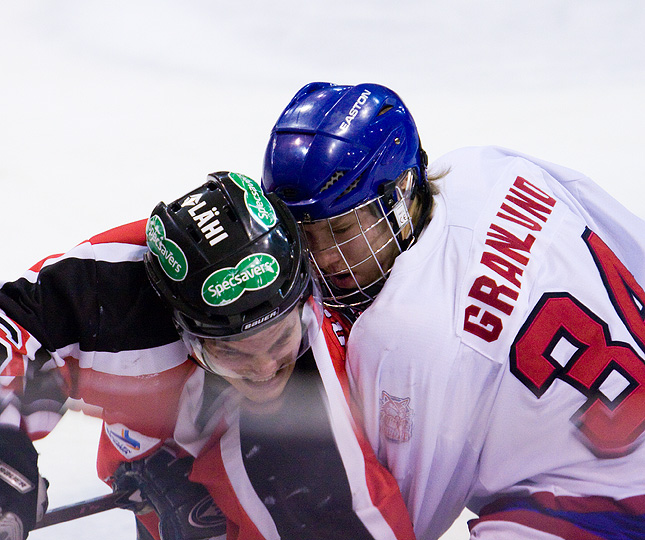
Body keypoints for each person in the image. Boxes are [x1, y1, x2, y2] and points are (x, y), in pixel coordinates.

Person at [262, 82, 645, 539]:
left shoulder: (405, 336)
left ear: (399, 197)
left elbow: (397, 524)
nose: (321, 257)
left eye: (340, 228)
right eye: (302, 234)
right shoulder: (489, 168)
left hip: (617, 507)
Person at [0, 172, 415, 540]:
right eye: (232, 352)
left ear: (305, 301)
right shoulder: (117, 292)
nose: (266, 370)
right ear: (181, 325)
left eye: (279, 340)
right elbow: (17, 324)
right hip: (158, 449)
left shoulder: (316, 435)